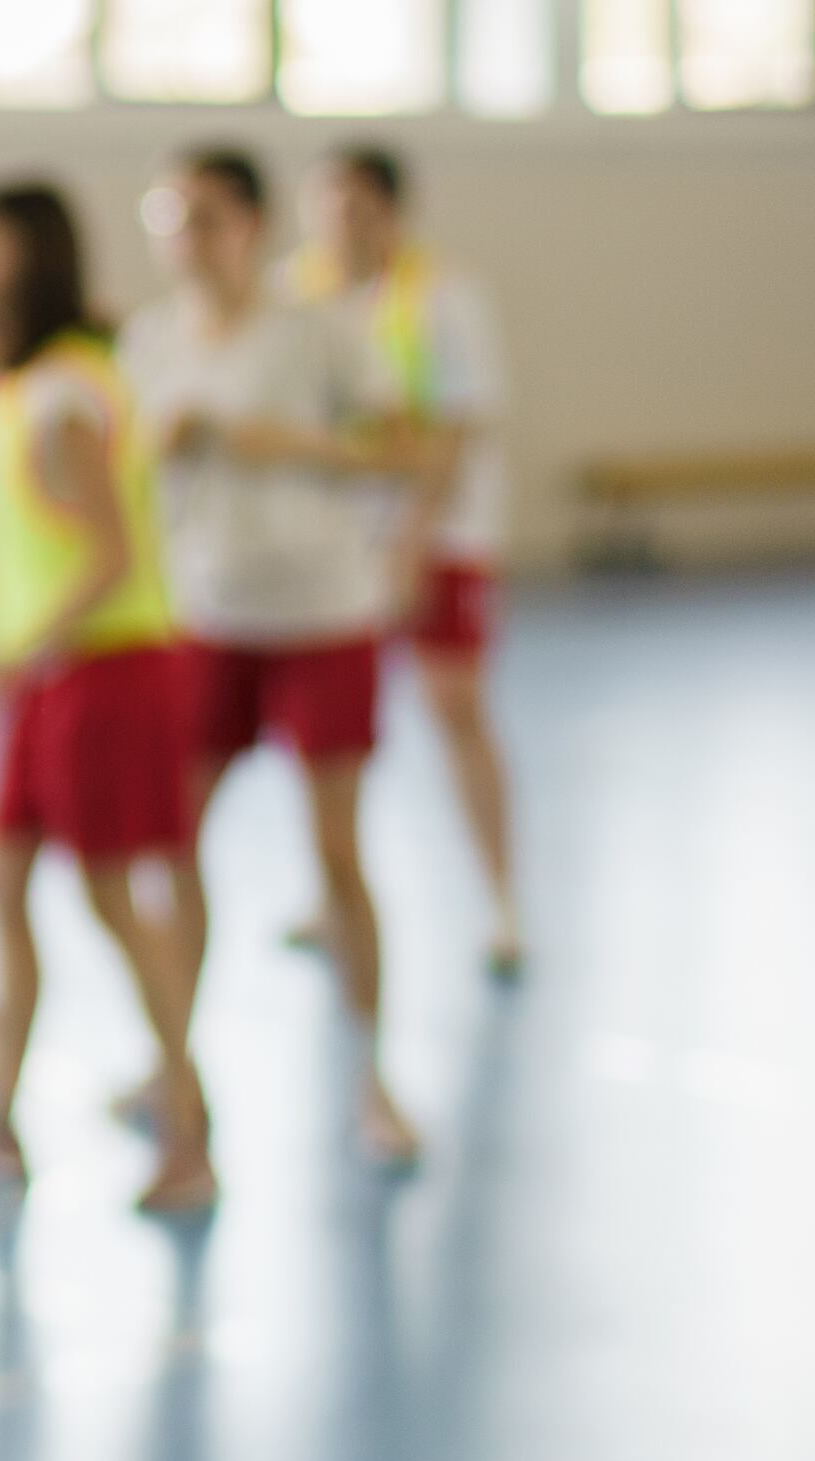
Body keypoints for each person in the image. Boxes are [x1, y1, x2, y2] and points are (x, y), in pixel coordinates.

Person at [126, 148, 425, 1169]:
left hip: (321, 610)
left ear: (248, 226)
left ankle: (372, 1071)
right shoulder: (146, 342)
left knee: (334, 850)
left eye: (204, 217)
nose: (184, 239)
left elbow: (401, 449)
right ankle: (170, 1053)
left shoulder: (316, 332)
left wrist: (281, 443)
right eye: (169, 217)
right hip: (208, 614)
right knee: (173, 843)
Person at [0, 178, 215, 1218]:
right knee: (1, 881)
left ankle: (186, 1124)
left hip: (101, 671)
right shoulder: (17, 384)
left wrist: (5, 661)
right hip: (46, 676)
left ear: (28, 257)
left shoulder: (61, 395)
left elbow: (106, 554)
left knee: (107, 897)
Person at [298, 144, 524, 981]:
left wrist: (413, 545)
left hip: (442, 535)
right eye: (325, 206)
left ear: (392, 212)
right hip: (336, 543)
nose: (338, 225)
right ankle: (331, 894)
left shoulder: (444, 298)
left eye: (356, 207)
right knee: (329, 734)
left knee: (455, 708)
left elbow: (456, 432)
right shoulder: (303, 297)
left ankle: (501, 899)